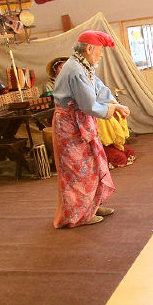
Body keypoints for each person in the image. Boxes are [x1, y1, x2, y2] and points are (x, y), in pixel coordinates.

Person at [52, 30, 130, 228]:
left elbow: (99, 88)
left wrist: (115, 103)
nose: (101, 55)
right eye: (100, 51)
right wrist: (113, 108)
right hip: (70, 126)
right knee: (77, 171)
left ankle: (91, 207)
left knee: (93, 165)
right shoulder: (76, 70)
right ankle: (77, 215)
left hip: (79, 122)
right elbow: (89, 105)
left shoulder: (82, 65)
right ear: (89, 49)